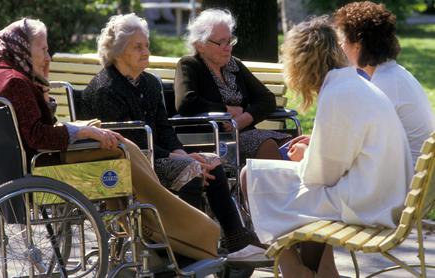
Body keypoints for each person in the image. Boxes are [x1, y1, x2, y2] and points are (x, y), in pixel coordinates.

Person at [0, 17, 221, 262]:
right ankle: (181, 240)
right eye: (42, 49)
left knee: (125, 147)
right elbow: (38, 135)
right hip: (45, 167)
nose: (47, 56)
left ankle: (178, 240)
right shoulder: (16, 83)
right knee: (124, 149)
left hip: (21, 169)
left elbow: (34, 130)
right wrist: (82, 132)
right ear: (22, 48)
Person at [235, 16, 413, 277]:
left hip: (368, 202)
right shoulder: (353, 82)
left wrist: (304, 155)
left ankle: (293, 269)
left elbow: (321, 175)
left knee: (250, 176)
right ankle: (322, 271)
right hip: (379, 192)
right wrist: (314, 148)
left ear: (300, 64)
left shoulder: (338, 93)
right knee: (286, 189)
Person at [79, 13, 265, 260]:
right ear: (119, 51)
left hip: (157, 155)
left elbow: (164, 128)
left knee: (211, 162)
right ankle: (188, 252)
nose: (146, 51)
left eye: (146, 45)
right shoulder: (106, 89)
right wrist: (183, 160)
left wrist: (181, 152)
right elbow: (134, 142)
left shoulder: (149, 83)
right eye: (138, 47)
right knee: (192, 170)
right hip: (128, 163)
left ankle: (236, 241)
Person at [174, 9, 291, 163]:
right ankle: (275, 187)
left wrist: (242, 119)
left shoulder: (233, 64)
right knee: (267, 145)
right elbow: (186, 103)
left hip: (243, 132)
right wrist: (226, 111)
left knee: (292, 145)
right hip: (212, 138)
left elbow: (267, 99)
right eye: (221, 42)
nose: (228, 47)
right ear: (200, 45)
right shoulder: (190, 65)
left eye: (229, 41)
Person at [333, 1, 435, 165]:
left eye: (342, 41)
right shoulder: (395, 74)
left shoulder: (383, 85)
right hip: (413, 177)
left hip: (403, 183)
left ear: (358, 45)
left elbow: (355, 150)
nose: (340, 47)